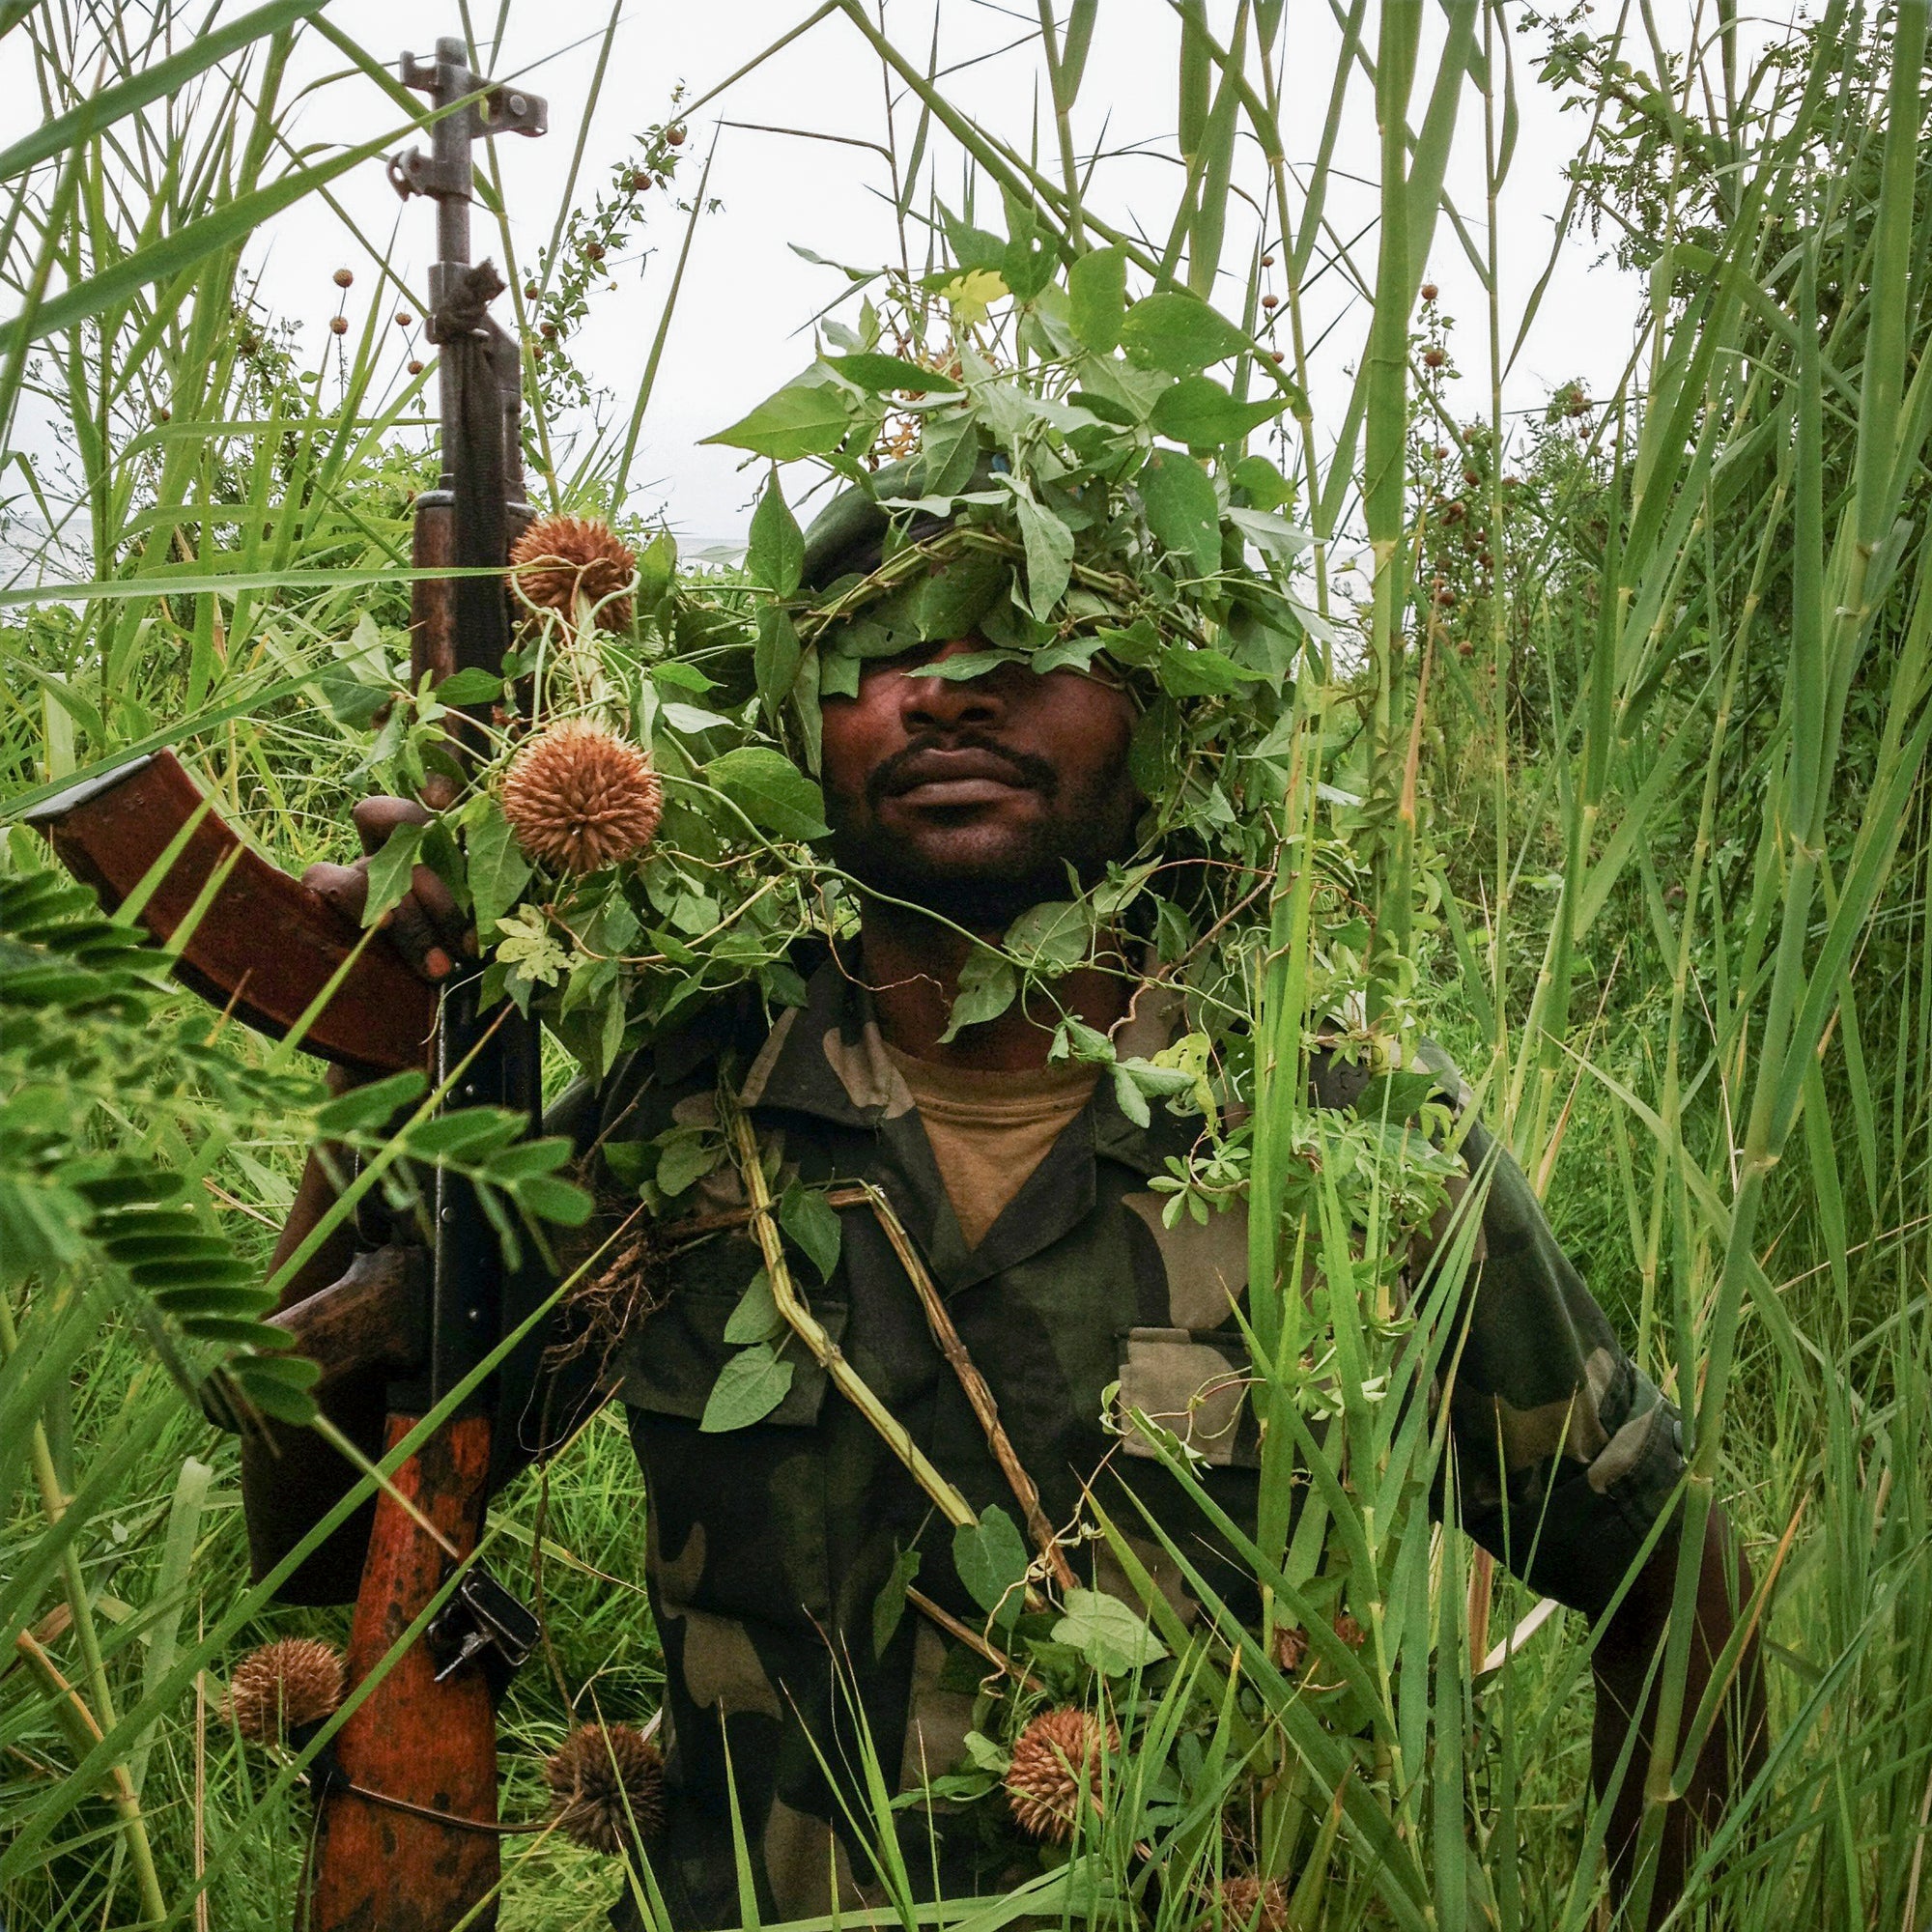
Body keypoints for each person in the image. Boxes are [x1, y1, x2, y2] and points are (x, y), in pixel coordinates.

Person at [248, 482, 1765, 1930]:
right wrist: (376, 1055)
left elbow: (1654, 1561)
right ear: (795, 718)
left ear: (1170, 710)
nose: (949, 692)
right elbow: (330, 1526)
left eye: (1033, 633)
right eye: (880, 647)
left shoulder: (1343, 1127)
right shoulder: (690, 1107)